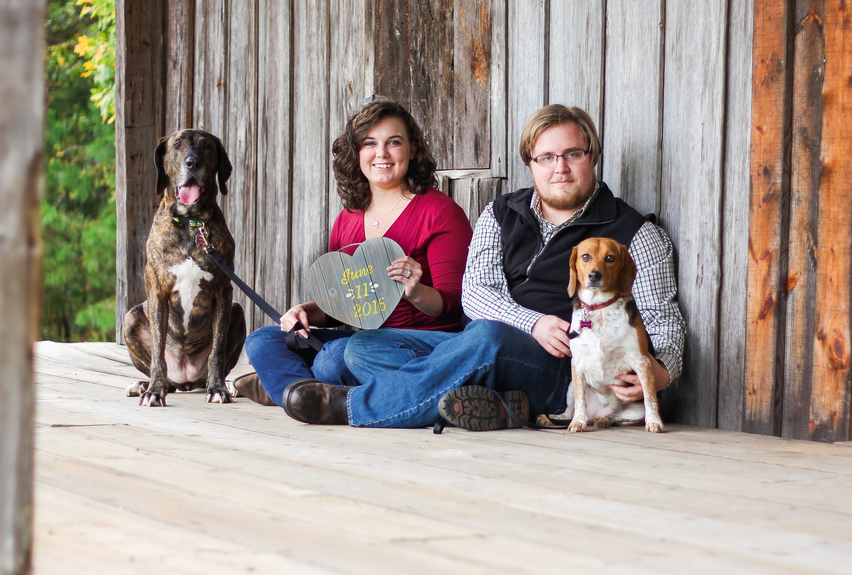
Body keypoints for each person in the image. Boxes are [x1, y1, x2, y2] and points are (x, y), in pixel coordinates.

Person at [280, 104, 685, 429]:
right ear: (531, 162)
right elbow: (475, 294)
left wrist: (662, 371)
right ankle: (496, 402)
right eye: (546, 157)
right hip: (484, 343)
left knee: (487, 338)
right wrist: (531, 323)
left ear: (591, 156)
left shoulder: (633, 233)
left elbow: (663, 319)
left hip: (565, 365)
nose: (559, 168)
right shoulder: (501, 213)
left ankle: (354, 407)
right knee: (362, 348)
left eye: (572, 154)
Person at [238, 98, 472, 406]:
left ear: (412, 149)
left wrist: (415, 292)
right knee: (262, 341)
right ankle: (306, 397)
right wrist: (306, 312)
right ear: (357, 152)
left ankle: (298, 388)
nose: (381, 154)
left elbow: (457, 306)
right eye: (369, 143)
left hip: (418, 344)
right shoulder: (347, 219)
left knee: (333, 359)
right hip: (362, 341)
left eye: (394, 142)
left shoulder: (440, 212)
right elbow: (344, 301)